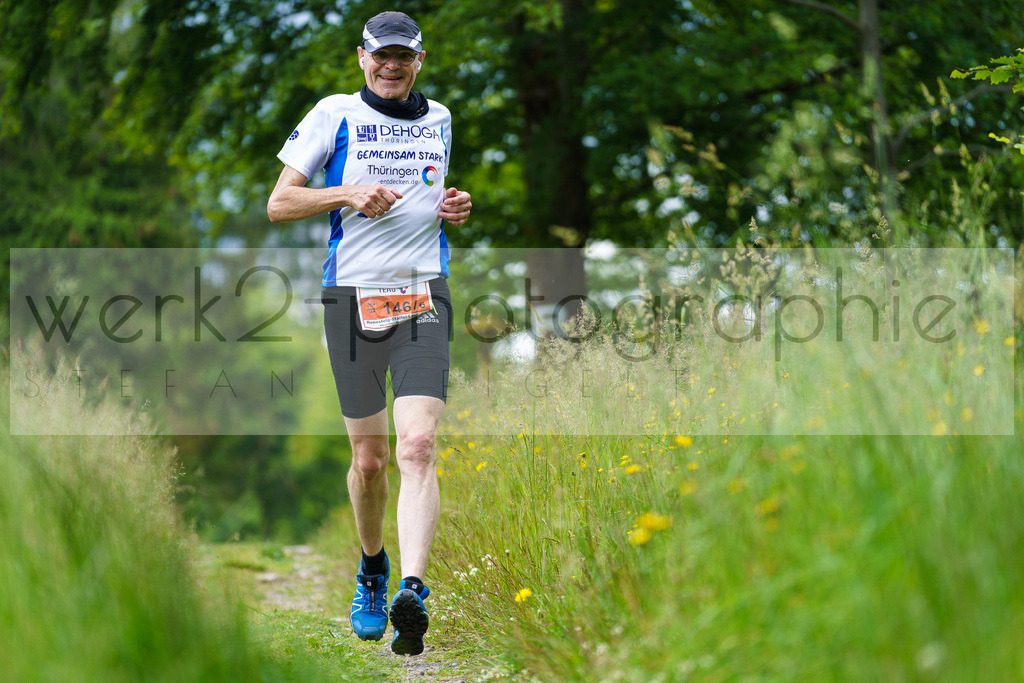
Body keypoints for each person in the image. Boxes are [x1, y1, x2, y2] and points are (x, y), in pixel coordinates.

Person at [267, 10, 471, 657]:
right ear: (361, 57)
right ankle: (373, 568)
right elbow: (279, 203)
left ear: (420, 60)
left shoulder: (439, 118)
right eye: (380, 55)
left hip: (422, 296)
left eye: (402, 57)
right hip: (350, 299)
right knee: (370, 459)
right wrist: (347, 193)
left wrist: (455, 206)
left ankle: (413, 588)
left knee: (416, 444)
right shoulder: (333, 114)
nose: (391, 65)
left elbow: (430, 197)